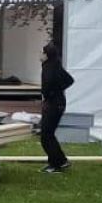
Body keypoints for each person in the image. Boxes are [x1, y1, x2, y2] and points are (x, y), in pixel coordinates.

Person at [39, 41, 75, 173]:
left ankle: (58, 163)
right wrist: (58, 89)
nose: (40, 54)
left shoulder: (48, 67)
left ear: (47, 54)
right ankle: (56, 161)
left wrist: (50, 94)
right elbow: (69, 80)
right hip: (58, 102)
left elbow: (47, 86)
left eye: (42, 52)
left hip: (53, 104)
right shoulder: (55, 65)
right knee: (48, 134)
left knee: (46, 135)